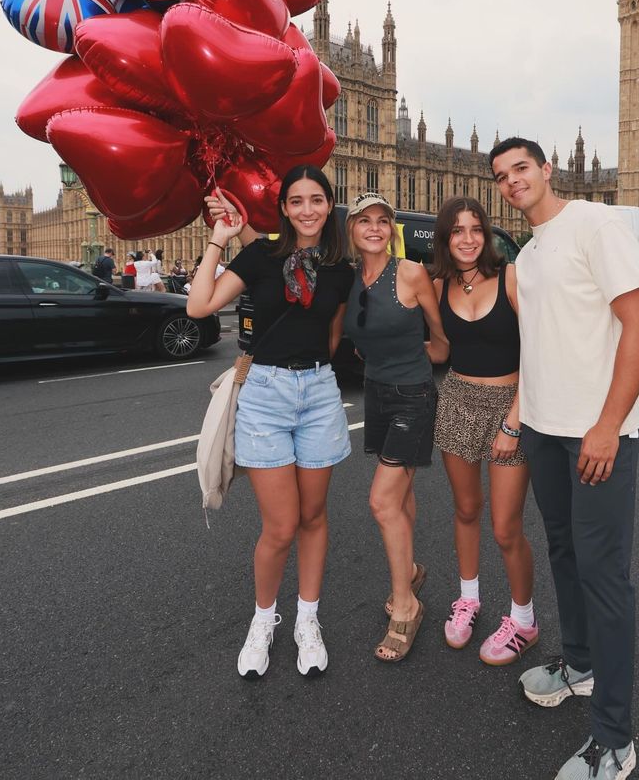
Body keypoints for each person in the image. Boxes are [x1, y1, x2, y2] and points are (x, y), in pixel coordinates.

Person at [489, 137, 639, 780]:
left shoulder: (595, 222)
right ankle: (580, 665)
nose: (513, 182)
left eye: (522, 169)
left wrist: (609, 425)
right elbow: (540, 349)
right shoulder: (527, 257)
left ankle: (615, 739)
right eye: (502, 176)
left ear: (547, 169)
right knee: (563, 549)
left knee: (605, 576)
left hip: (596, 433)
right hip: (543, 429)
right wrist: (517, 422)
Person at [189, 167, 354, 680]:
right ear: (283, 208)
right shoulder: (259, 256)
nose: (307, 209)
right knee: (280, 526)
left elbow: (331, 335)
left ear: (330, 206)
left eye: (317, 200)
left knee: (313, 517)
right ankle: (263, 621)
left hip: (320, 393)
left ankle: (308, 618)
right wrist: (218, 241)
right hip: (264, 394)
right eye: (297, 201)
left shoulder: (339, 269)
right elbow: (199, 305)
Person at [430, 197, 538, 665]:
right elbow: (437, 350)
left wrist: (514, 420)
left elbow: (539, 351)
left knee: (506, 526)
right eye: (457, 231)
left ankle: (524, 619)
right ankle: (468, 599)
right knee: (466, 509)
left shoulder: (511, 278)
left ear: (488, 233)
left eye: (476, 229)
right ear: (445, 238)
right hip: (456, 400)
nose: (468, 239)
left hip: (509, 405)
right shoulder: (437, 286)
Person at [341, 193, 449, 662]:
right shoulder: (350, 279)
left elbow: (441, 342)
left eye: (383, 221)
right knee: (401, 497)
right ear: (352, 230)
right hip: (377, 394)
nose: (374, 227)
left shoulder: (410, 273)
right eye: (364, 220)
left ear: (392, 229)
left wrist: (412, 354)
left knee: (381, 500)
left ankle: (406, 606)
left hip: (413, 395)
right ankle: (411, 569)